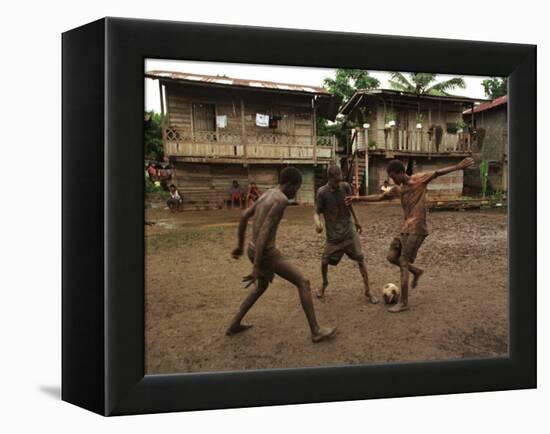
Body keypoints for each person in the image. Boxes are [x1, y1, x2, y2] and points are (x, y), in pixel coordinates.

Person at [346, 157, 474, 313]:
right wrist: (357, 198)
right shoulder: (397, 189)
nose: (392, 179)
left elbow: (437, 172)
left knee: (404, 261)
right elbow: (379, 197)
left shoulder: (418, 179)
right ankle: (416, 271)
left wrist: (458, 166)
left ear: (401, 172)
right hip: (405, 228)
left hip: (417, 228)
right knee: (391, 257)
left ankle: (404, 302)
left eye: (394, 176)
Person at [227, 167, 336, 343]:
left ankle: (234, 324)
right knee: (303, 282)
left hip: (252, 249)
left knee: (261, 287)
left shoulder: (268, 193)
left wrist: (240, 246)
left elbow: (244, 216)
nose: (296, 192)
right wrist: (255, 267)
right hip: (265, 253)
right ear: (289, 185)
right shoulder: (281, 200)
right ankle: (316, 331)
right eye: (297, 188)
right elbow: (264, 232)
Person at [314, 165, 378, 303]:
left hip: (349, 232)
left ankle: (368, 291)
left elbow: (349, 205)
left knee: (360, 259)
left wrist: (356, 221)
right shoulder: (322, 193)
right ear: (331, 178)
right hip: (333, 237)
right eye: (337, 179)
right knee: (324, 261)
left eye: (340, 178)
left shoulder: (345, 187)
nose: (340, 181)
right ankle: (324, 284)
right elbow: (316, 212)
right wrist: (317, 223)